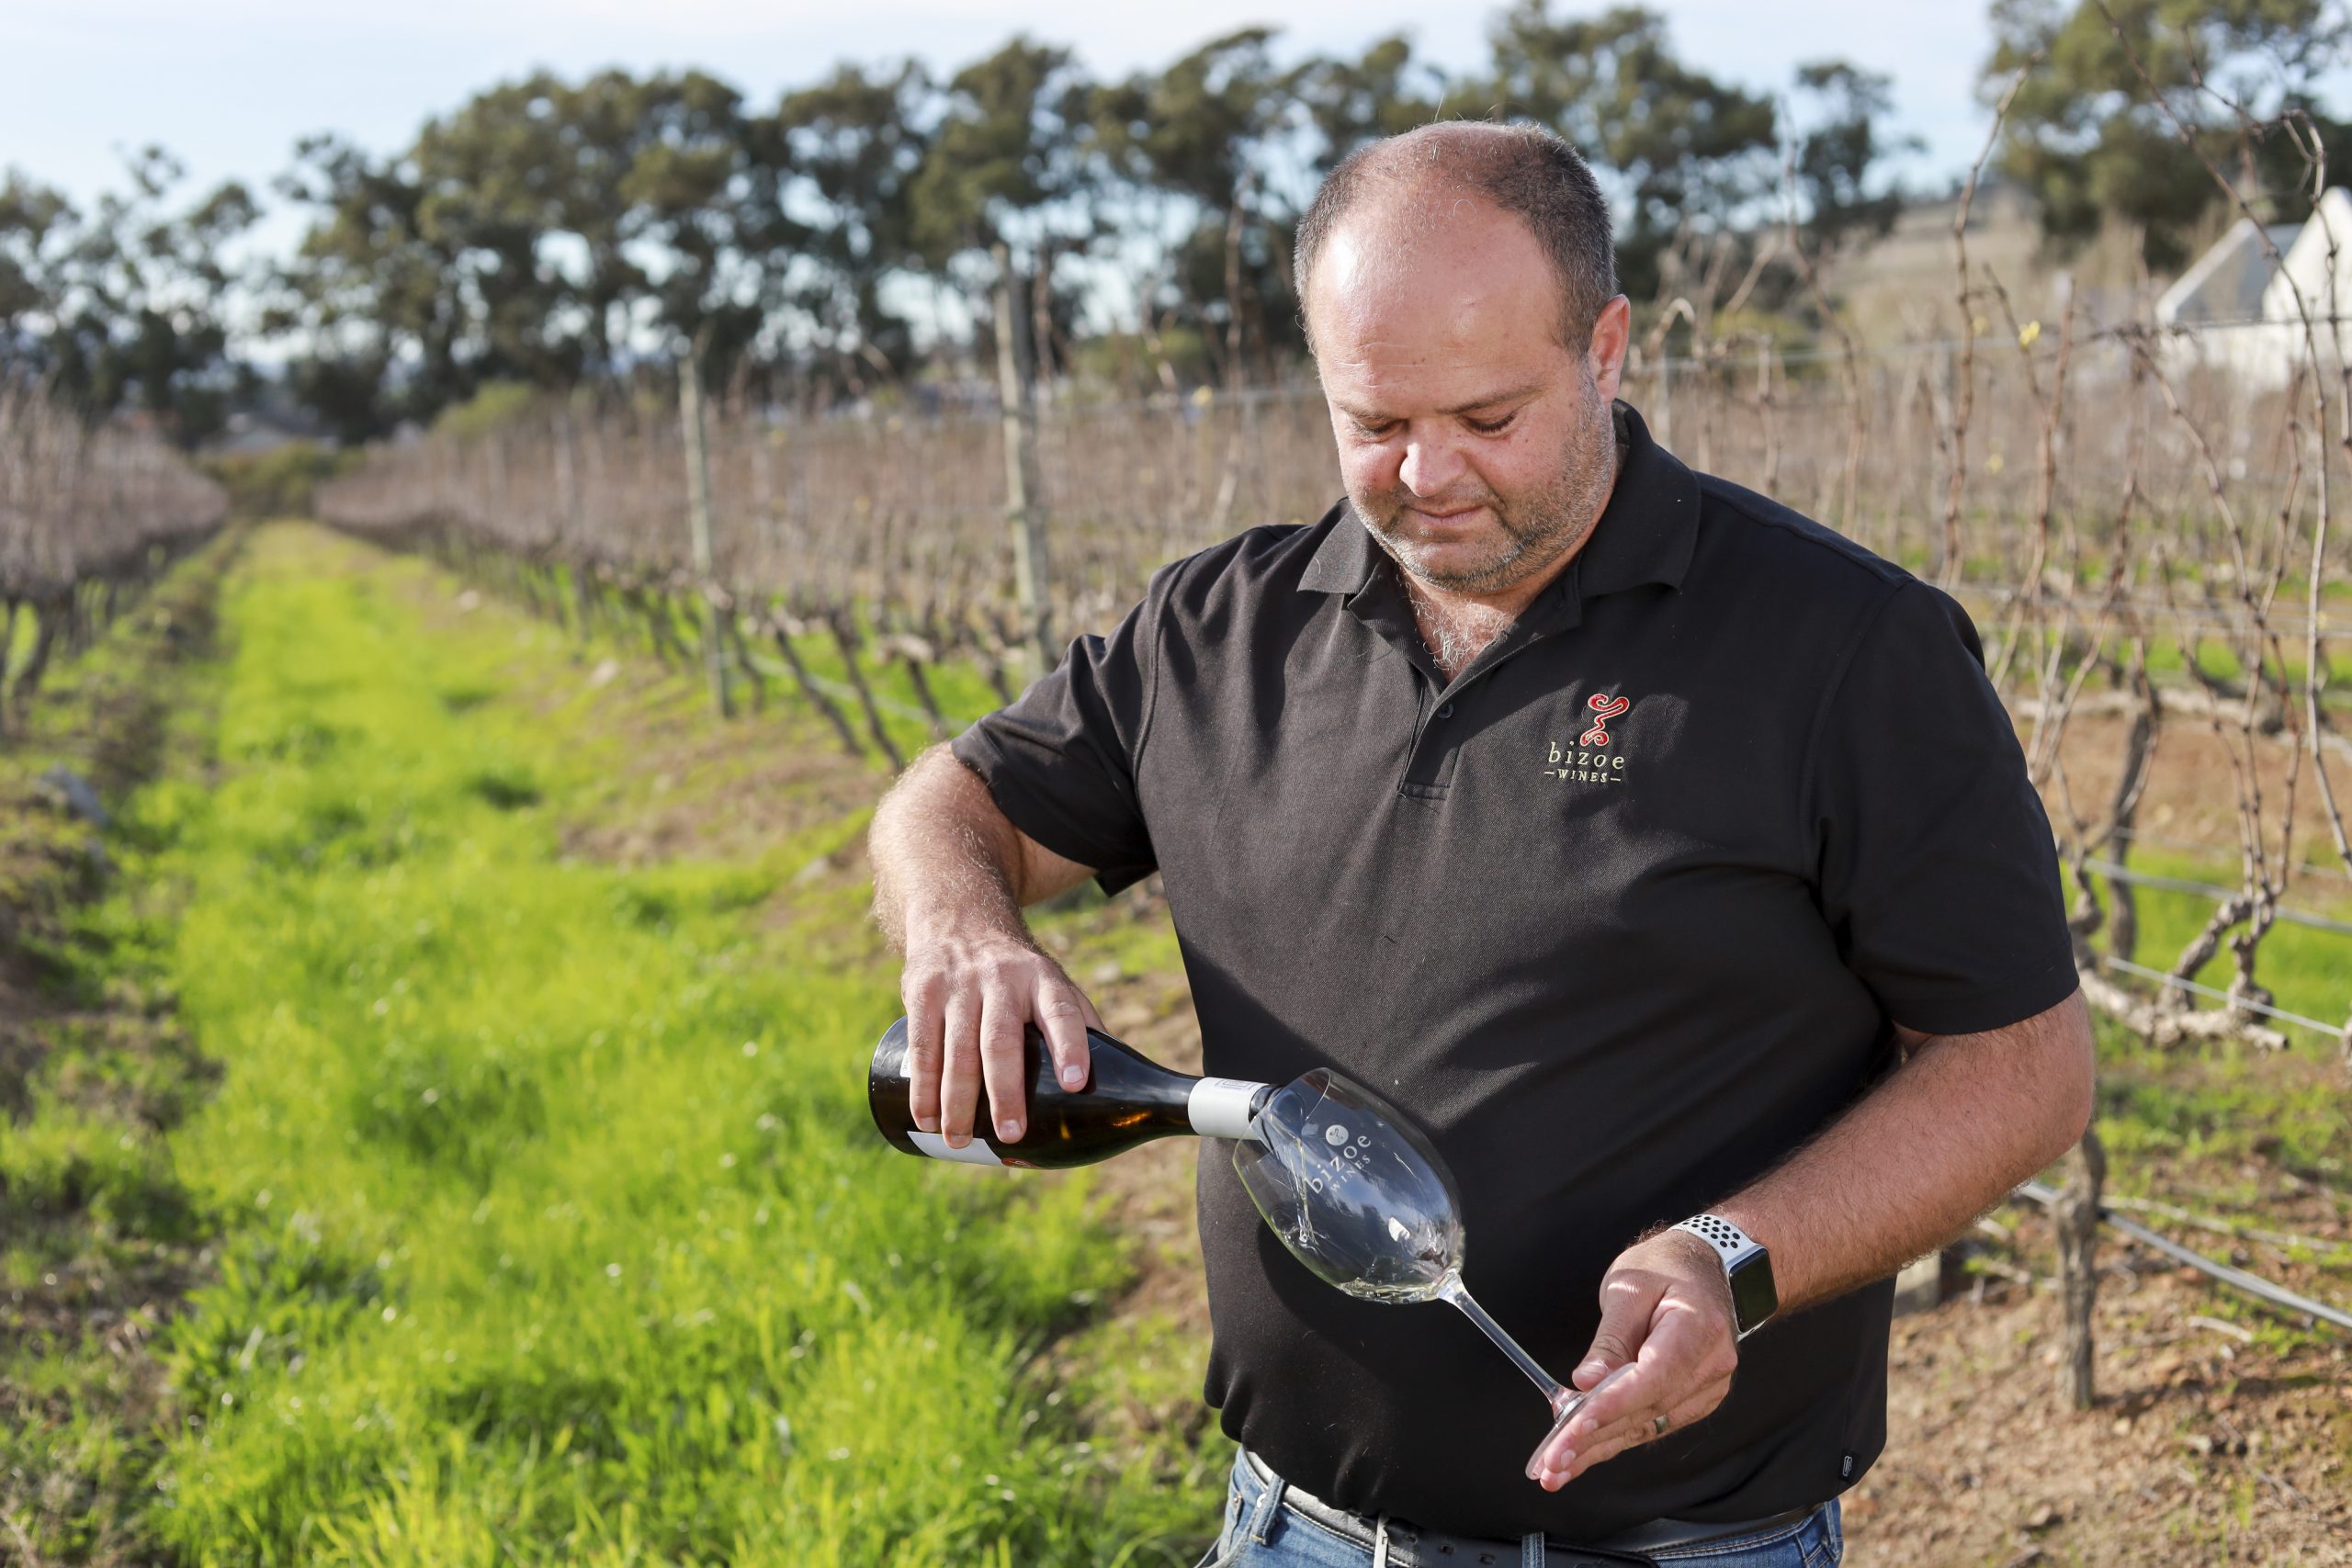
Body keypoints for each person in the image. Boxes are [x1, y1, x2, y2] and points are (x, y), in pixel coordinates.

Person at [869, 121, 2093, 1567]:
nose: (1424, 476)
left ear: (1608, 348)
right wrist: (965, 927)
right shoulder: (1217, 630)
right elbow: (950, 802)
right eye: (1373, 423)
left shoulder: (1842, 651)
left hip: (1680, 1547)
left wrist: (1736, 1261)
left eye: (1490, 418)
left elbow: (2019, 1068)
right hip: (1290, 1528)